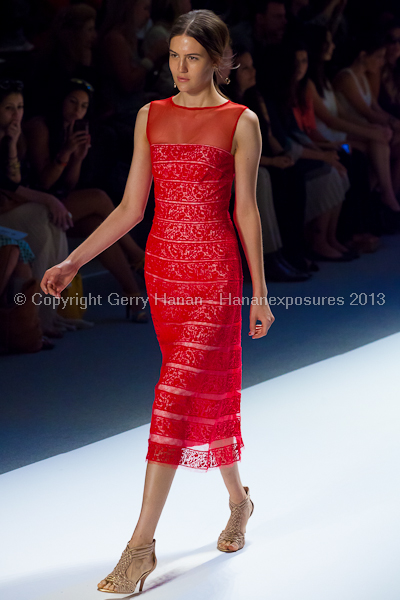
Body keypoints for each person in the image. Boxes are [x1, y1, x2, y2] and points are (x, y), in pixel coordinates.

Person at [40, 9, 274, 594]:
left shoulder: (240, 121)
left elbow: (245, 211)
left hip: (215, 275)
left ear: (219, 60)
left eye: (192, 58)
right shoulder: (152, 115)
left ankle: (140, 546)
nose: (180, 68)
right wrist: (74, 260)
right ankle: (238, 500)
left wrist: (260, 293)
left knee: (172, 396)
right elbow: (129, 209)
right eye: (173, 56)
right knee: (202, 393)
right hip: (164, 271)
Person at [24, 78, 148, 323]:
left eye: (83, 106)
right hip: (33, 202)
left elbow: (68, 185)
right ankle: (137, 255)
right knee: (99, 198)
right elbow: (45, 183)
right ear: (60, 100)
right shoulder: (40, 127)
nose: (77, 110)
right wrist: (65, 153)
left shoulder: (70, 129)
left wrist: (78, 158)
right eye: (72, 102)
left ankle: (132, 294)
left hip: (58, 202)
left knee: (96, 227)